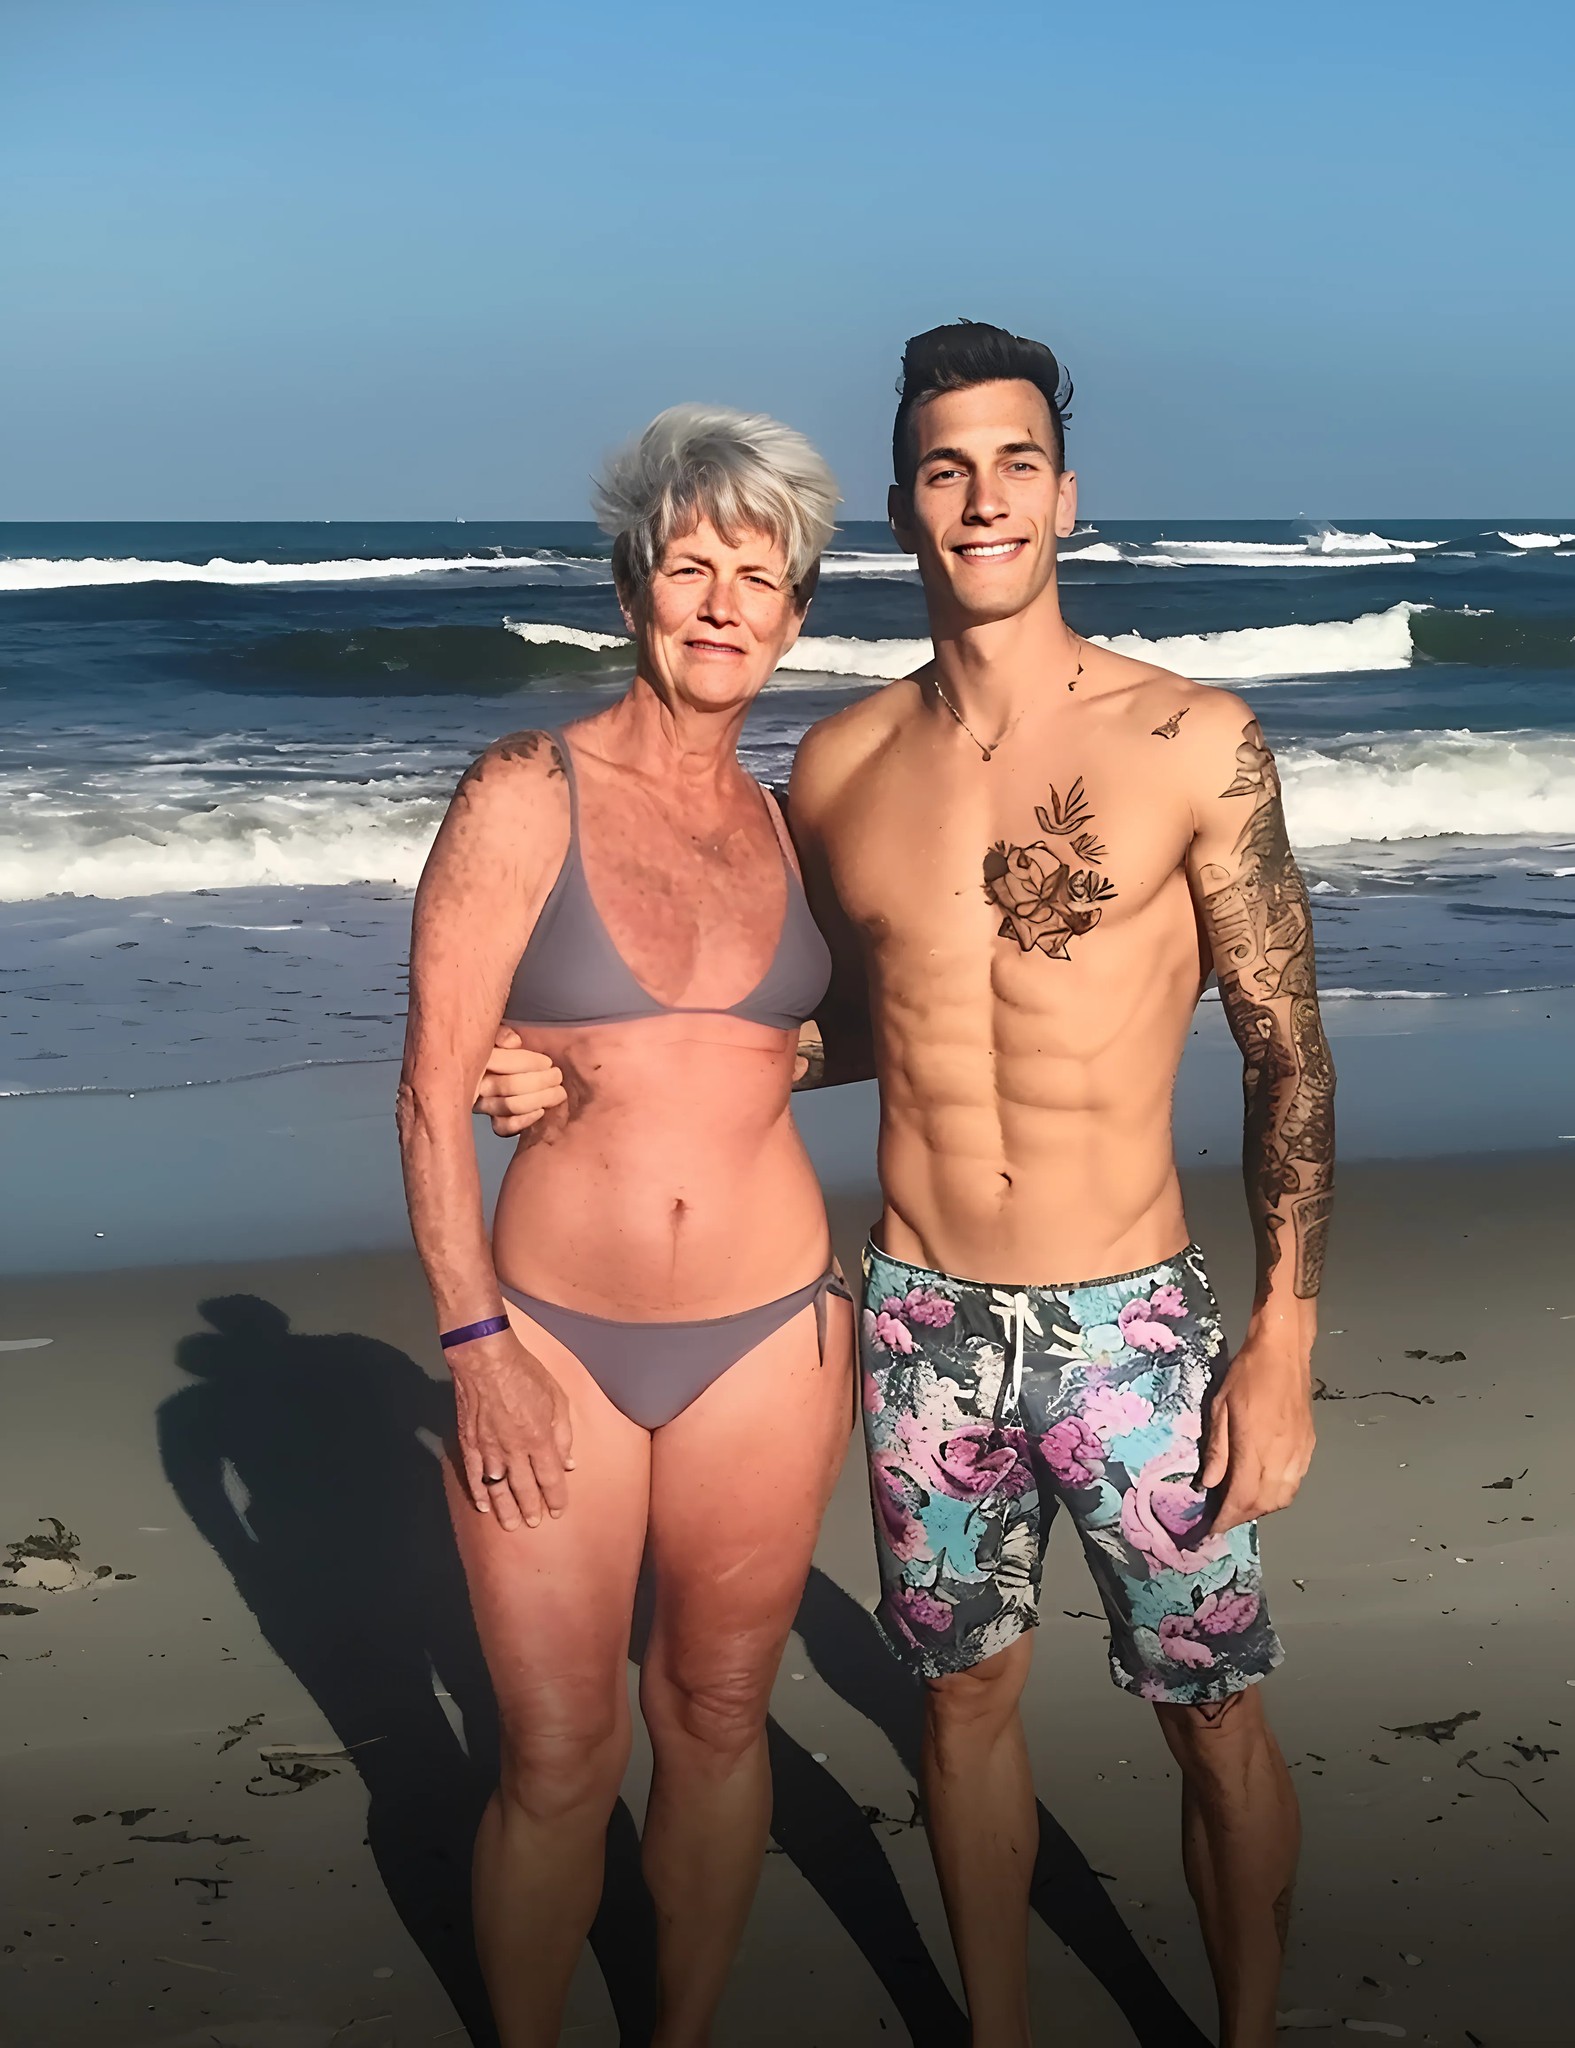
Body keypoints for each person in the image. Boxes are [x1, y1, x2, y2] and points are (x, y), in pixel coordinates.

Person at [479, 323, 1335, 2048]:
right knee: (959, 1709)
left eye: (1016, 464)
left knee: (1213, 1711)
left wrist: (1284, 1336)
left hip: (1133, 1326)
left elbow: (1287, 1054)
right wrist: (594, 1065)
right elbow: (828, 1025)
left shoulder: (1193, 737)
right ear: (901, 509)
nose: (983, 498)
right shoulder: (842, 768)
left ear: (1067, 498)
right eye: (947, 469)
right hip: (923, 1322)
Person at [398, 403, 855, 2048]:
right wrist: (475, 1345)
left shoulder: (795, 821)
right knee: (558, 1753)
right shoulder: (528, 790)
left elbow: (886, 1023)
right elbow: (428, 1089)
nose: (722, 605)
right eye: (690, 568)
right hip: (552, 1341)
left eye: (759, 576)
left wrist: (800, 1050)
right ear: (630, 590)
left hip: (773, 1333)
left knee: (719, 1715)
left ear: (795, 613)